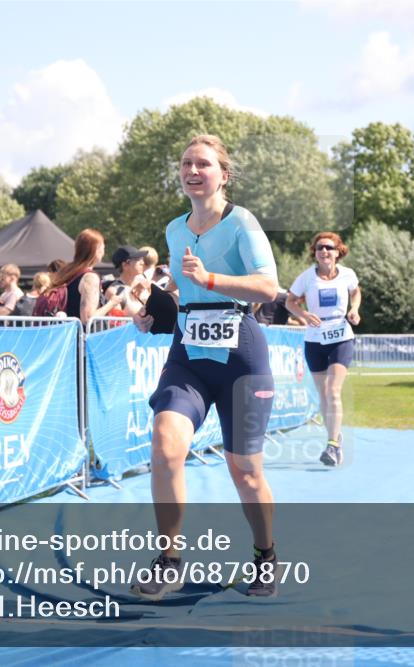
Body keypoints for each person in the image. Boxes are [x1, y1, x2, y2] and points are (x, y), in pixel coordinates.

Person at [132, 134, 279, 599]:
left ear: (223, 174)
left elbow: (269, 288)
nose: (193, 171)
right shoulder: (175, 229)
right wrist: (157, 311)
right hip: (189, 356)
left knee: (246, 470)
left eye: (203, 164)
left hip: (242, 358)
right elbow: (182, 288)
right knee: (166, 445)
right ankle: (169, 559)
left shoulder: (243, 223)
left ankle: (266, 555)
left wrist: (212, 279)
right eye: (186, 164)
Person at [285, 232, 361, 467]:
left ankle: (332, 445)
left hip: (340, 336)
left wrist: (354, 309)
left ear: (338, 252)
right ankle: (335, 438)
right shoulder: (307, 277)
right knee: (323, 395)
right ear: (315, 253)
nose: (324, 251)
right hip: (315, 339)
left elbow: (355, 292)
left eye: (329, 247)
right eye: (320, 248)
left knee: (332, 389)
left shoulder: (347, 274)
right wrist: (304, 315)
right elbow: (289, 301)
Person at [46, 229, 124, 326]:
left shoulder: (67, 271)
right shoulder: (90, 278)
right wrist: (112, 303)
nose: (104, 251)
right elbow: (88, 318)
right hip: (81, 338)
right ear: (96, 250)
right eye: (103, 247)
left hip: (66, 335)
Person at [106, 245, 150, 317]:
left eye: (142, 259)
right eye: (137, 259)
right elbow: (115, 324)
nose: (142, 263)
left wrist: (150, 287)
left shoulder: (145, 284)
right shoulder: (114, 291)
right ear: (125, 265)